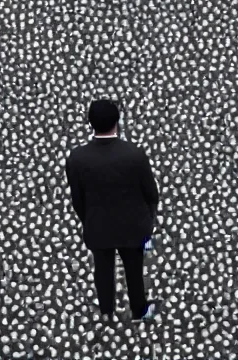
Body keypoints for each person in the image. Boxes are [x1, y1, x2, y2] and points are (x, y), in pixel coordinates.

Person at [65, 98, 161, 322]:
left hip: (98, 226)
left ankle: (107, 310)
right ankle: (139, 310)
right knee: (134, 269)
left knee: (103, 268)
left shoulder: (77, 158)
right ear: (118, 122)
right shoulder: (134, 155)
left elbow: (77, 200)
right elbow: (151, 194)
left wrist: (87, 219)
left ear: (90, 124)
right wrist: (148, 222)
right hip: (133, 226)